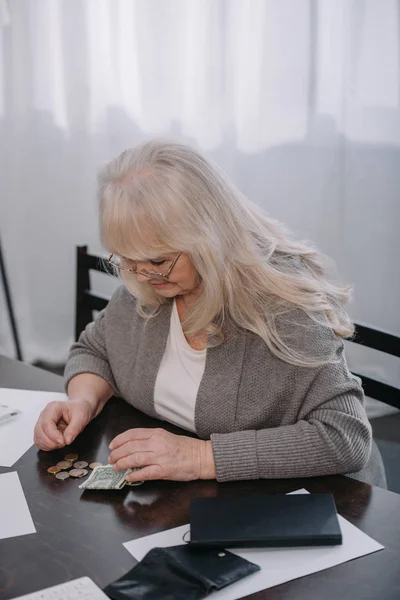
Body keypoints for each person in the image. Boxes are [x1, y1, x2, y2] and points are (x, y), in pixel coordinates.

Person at [34, 140, 386, 488]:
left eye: (157, 260)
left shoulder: (285, 308)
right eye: (127, 260)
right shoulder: (149, 283)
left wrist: (200, 457)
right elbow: (95, 351)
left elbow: (345, 437)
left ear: (208, 236)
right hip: (196, 498)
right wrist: (83, 400)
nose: (140, 277)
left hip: (316, 503)